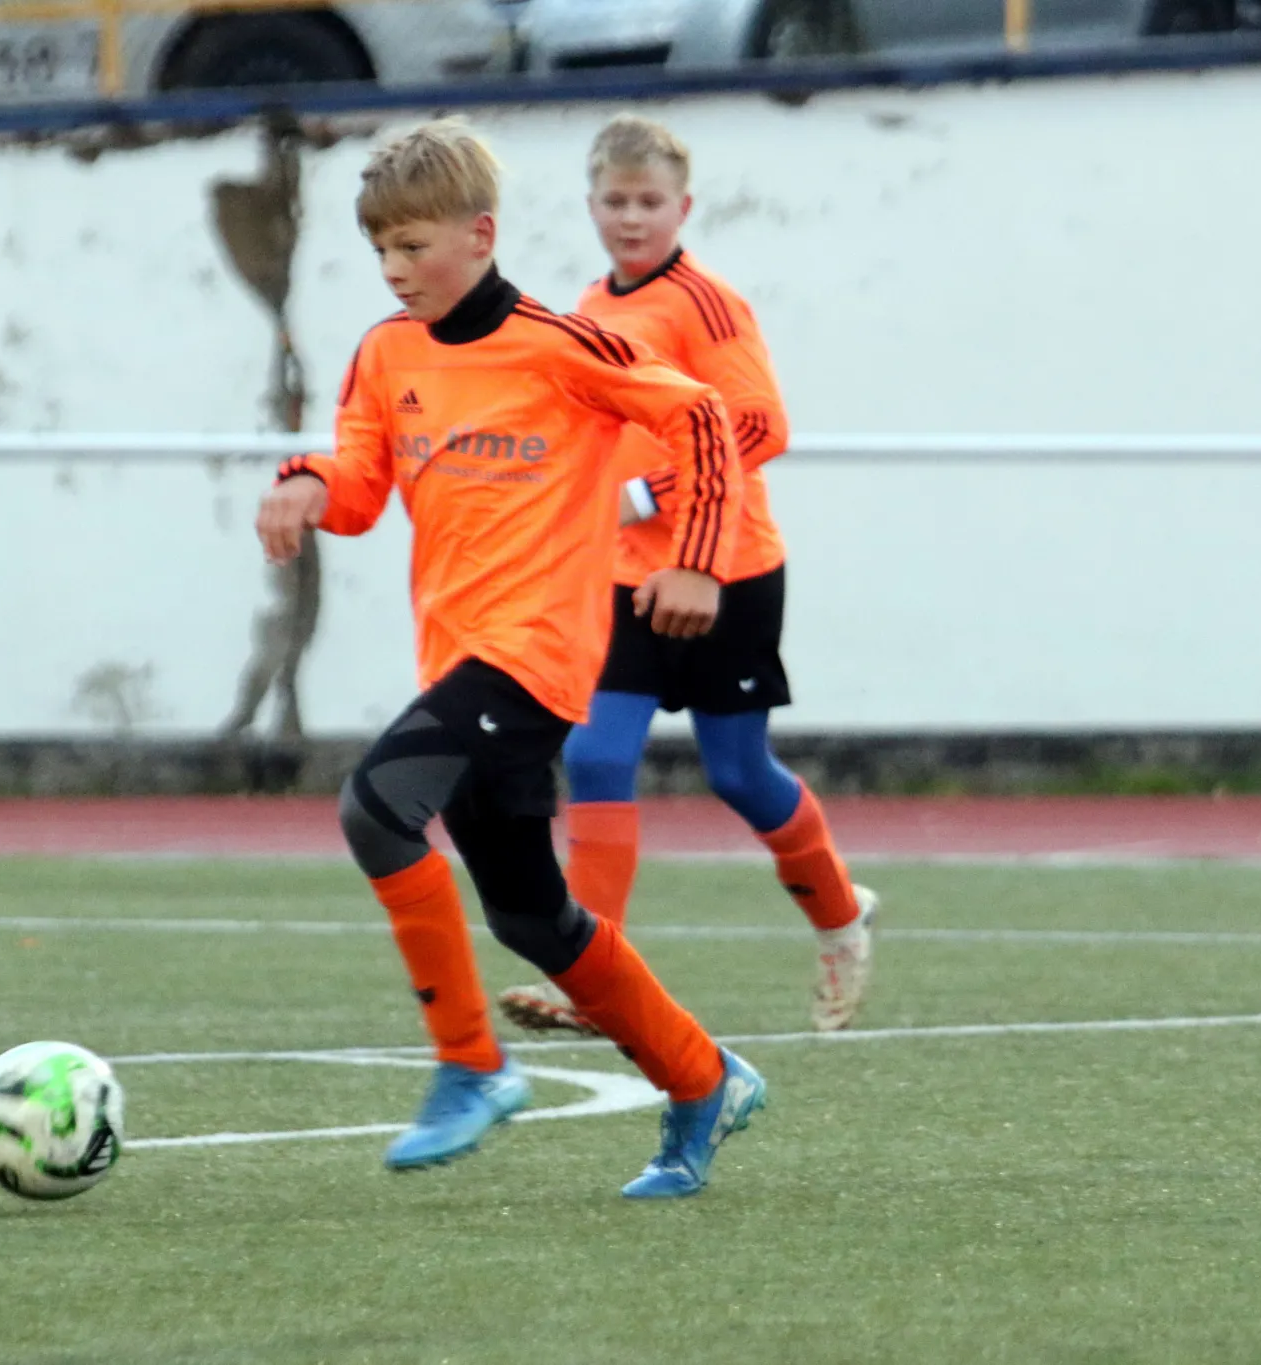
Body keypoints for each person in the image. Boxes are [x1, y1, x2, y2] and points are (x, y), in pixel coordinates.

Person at [254, 119, 764, 1199]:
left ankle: (472, 1065)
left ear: (479, 235)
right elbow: (361, 482)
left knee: (374, 810)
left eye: (413, 246)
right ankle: (701, 1076)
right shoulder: (386, 354)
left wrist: (697, 560)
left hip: (536, 654)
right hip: (457, 660)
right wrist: (306, 483)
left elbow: (704, 417)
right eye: (379, 249)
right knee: (533, 916)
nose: (394, 270)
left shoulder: (561, 345)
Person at [499, 115, 876, 1040]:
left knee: (739, 773)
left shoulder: (706, 304)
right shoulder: (587, 306)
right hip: (624, 577)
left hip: (728, 569)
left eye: (649, 201)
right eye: (615, 201)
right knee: (594, 757)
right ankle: (595, 977)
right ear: (590, 205)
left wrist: (647, 493)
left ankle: (841, 917)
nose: (631, 218)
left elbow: (760, 425)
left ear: (684, 207)